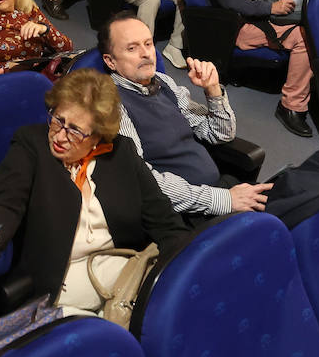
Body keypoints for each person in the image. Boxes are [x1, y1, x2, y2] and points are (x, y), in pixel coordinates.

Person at [0, 70, 190, 312]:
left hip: (121, 274)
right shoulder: (31, 145)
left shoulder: (121, 153)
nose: (60, 136)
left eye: (75, 131)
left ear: (98, 136)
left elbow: (164, 221)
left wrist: (185, 271)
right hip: (56, 285)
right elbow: (3, 208)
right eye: (58, 120)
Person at [99, 13, 272, 216]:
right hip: (183, 212)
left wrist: (213, 90)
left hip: (217, 190)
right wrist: (223, 199)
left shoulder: (164, 82)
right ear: (110, 61)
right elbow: (143, 180)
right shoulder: (113, 104)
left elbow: (220, 134)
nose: (146, 53)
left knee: (288, 197)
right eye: (132, 48)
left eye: (148, 44)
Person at [204, 0, 316, 136]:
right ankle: (291, 106)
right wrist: (271, 8)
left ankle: (311, 85)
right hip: (243, 24)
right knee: (304, 37)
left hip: (268, 13)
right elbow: (230, 1)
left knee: (315, 22)